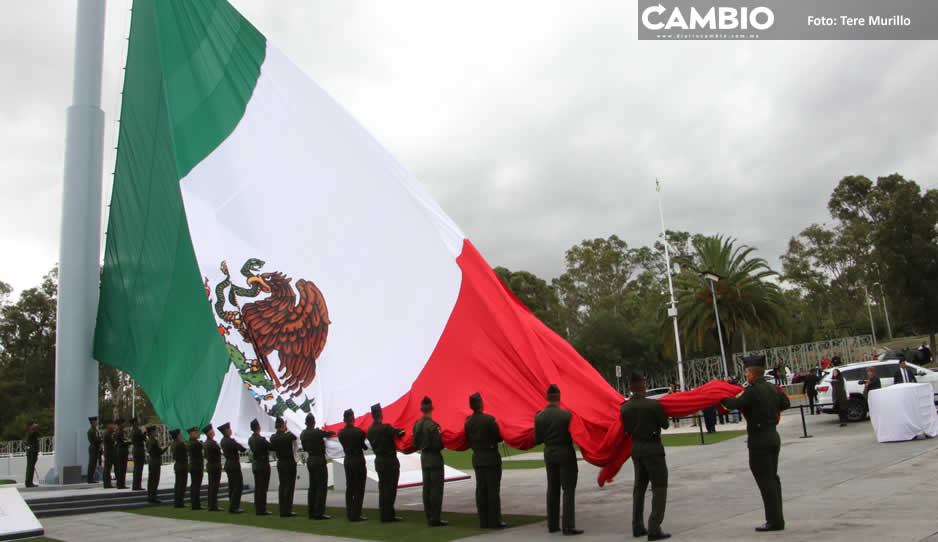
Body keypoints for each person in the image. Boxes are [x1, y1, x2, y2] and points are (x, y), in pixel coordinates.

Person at [720, 355, 790, 532]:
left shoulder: (752, 390)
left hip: (759, 440)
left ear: (752, 373)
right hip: (773, 435)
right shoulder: (773, 388)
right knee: (773, 479)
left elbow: (733, 403)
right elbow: (785, 403)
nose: (746, 376)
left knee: (765, 481)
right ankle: (777, 519)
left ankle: (774, 521)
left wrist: (719, 396)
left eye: (746, 372)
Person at [621, 371, 670, 540]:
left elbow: (626, 429)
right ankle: (654, 527)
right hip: (653, 449)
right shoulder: (653, 405)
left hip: (637, 449)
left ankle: (637, 526)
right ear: (644, 386)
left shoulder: (624, 407)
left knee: (639, 489)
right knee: (660, 487)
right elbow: (665, 424)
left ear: (630, 388)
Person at [534, 384, 582, 536]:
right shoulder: (566, 415)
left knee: (552, 488)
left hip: (549, 452)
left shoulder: (539, 416)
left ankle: (552, 524)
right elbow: (575, 434)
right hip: (565, 451)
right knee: (568, 489)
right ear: (559, 397)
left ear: (547, 398)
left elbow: (537, 439)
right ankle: (568, 525)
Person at [464, 392, 506, 529]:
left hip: (477, 458)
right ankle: (495, 521)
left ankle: (483, 521)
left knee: (481, 490)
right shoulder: (489, 420)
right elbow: (498, 437)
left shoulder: (468, 422)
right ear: (480, 404)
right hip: (491, 457)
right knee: (493, 490)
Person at [368, 403, 406, 523]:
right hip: (390, 461)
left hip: (379, 461)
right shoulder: (386, 428)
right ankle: (389, 515)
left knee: (383, 488)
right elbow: (401, 432)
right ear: (380, 414)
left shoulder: (370, 431)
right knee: (391, 489)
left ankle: (384, 514)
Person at [413, 396, 447, 527]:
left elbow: (415, 443)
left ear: (421, 409)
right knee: (436, 489)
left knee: (426, 488)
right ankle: (435, 518)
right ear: (431, 408)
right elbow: (439, 444)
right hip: (434, 457)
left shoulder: (417, 425)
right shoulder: (433, 426)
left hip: (424, 457)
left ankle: (428, 516)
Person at [300, 413, 336, 520]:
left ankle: (311, 512)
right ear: (313, 422)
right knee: (321, 487)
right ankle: (319, 512)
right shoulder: (316, 432)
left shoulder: (303, 434)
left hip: (310, 460)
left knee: (312, 487)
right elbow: (330, 433)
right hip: (319, 460)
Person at [338, 409, 368, 522]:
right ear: (353, 418)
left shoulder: (341, 433)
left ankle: (350, 512)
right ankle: (356, 513)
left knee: (350, 487)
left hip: (348, 460)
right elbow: (364, 446)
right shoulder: (359, 432)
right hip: (358, 460)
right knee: (359, 488)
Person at [270, 417, 298, 517]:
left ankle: (282, 509)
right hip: (289, 462)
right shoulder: (288, 436)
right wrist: (288, 427)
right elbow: (294, 435)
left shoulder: (273, 437)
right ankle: (287, 510)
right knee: (289, 487)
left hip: (280, 463)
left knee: (282, 486)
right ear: (283, 425)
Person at [219, 422, 246, 514]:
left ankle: (232, 505)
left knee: (232, 486)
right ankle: (234, 506)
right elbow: (242, 449)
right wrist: (236, 442)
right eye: (229, 429)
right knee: (238, 486)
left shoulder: (223, 441)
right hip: (234, 464)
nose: (230, 431)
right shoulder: (230, 441)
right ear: (226, 431)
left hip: (228, 464)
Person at [248, 418, 273, 515]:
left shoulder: (251, 439)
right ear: (258, 428)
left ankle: (258, 508)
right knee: (262, 488)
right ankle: (262, 509)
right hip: (263, 465)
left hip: (256, 464)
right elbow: (271, 447)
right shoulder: (261, 439)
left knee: (258, 488)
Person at [203, 424, 223, 511]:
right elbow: (218, 453)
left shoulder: (208, 442)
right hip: (214, 465)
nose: (213, 431)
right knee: (214, 486)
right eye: (212, 430)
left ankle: (212, 504)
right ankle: (213, 505)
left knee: (212, 486)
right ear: (209, 432)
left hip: (211, 465)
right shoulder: (211, 443)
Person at [146, 425, 165, 503]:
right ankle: (153, 496)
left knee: (151, 480)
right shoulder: (154, 441)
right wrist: (166, 447)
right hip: (155, 462)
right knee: (155, 480)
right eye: (154, 431)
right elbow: (159, 452)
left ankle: (150, 495)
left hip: (151, 461)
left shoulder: (148, 440)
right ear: (152, 432)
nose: (155, 433)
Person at [187, 426, 204, 510]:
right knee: (196, 486)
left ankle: (196, 503)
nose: (197, 434)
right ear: (191, 434)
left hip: (195, 466)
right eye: (196, 432)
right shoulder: (194, 443)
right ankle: (195, 504)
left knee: (195, 485)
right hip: (196, 466)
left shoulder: (192, 442)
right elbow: (200, 447)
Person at [171, 429, 188, 508]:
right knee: (181, 485)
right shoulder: (180, 444)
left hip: (177, 465)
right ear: (178, 436)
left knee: (178, 484)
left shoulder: (173, 444)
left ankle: (177, 501)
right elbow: (185, 452)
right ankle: (180, 502)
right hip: (182, 465)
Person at [131, 417, 146, 491]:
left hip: (136, 450)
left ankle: (136, 485)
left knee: (137, 469)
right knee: (138, 469)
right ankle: (137, 485)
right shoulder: (138, 431)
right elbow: (145, 438)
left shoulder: (133, 430)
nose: (139, 421)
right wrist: (145, 433)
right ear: (135, 422)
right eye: (138, 420)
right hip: (139, 451)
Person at [114, 418, 130, 489]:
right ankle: (120, 484)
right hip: (121, 452)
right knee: (121, 469)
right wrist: (128, 442)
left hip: (122, 451)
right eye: (122, 423)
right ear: (119, 425)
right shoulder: (119, 433)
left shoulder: (121, 432)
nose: (124, 425)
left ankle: (121, 484)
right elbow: (121, 443)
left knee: (123, 469)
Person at [24, 422, 40, 487]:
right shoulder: (31, 432)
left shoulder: (31, 432)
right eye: (33, 425)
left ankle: (29, 482)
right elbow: (37, 434)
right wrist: (35, 428)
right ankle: (28, 483)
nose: (35, 426)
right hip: (31, 452)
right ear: (30, 426)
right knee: (30, 468)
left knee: (30, 468)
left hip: (32, 452)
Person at [87, 416, 101, 484]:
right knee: (92, 464)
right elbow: (95, 440)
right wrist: (99, 439)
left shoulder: (95, 430)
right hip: (93, 448)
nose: (96, 423)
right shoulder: (91, 431)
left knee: (94, 464)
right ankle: (90, 479)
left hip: (95, 448)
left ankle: (91, 478)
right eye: (95, 422)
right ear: (92, 422)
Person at [102, 420, 116, 488]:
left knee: (108, 469)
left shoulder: (109, 433)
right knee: (107, 469)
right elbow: (112, 442)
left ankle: (108, 483)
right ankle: (107, 484)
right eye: (112, 425)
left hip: (110, 452)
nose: (113, 426)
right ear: (108, 425)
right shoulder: (107, 433)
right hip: (108, 453)